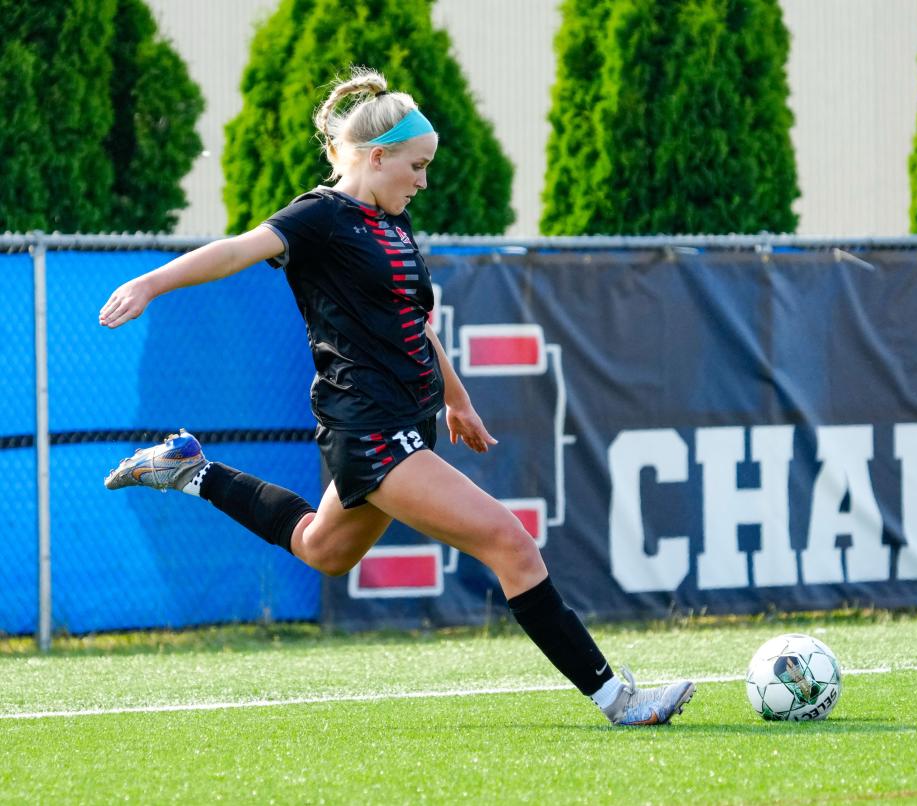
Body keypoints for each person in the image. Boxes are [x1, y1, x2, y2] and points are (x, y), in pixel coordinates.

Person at [99, 68, 694, 727]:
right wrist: (151, 284)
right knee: (510, 542)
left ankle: (190, 469)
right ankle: (617, 699)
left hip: (408, 419)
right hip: (369, 426)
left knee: (323, 549)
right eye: (416, 165)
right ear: (375, 157)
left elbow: (415, 323)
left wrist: (455, 397)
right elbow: (239, 250)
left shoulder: (392, 228)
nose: (423, 179)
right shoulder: (320, 215)